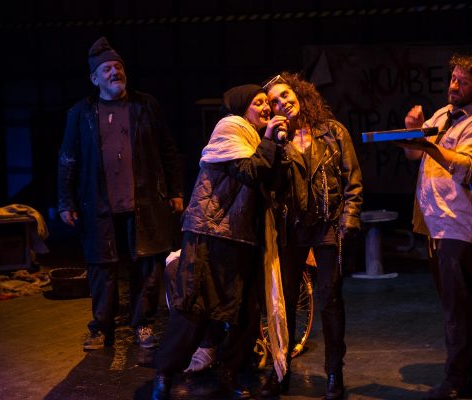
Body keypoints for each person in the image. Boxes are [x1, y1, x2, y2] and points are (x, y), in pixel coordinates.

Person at [152, 84, 286, 400]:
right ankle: (165, 373)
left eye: (267, 103)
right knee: (194, 308)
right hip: (210, 234)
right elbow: (250, 173)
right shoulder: (230, 129)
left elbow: (270, 180)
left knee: (246, 313)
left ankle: (230, 372)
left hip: (242, 238)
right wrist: (269, 140)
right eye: (258, 102)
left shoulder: (255, 139)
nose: (266, 107)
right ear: (241, 105)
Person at [57, 37, 184, 351]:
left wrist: (175, 191)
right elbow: (67, 159)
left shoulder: (146, 105)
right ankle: (101, 328)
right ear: (94, 78)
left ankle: (143, 323)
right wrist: (65, 201)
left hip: (145, 201)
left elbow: (168, 150)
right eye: (107, 69)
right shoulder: (81, 113)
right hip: (98, 204)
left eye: (118, 67)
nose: (115, 72)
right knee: (102, 268)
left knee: (147, 265)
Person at [398, 54, 472, 400]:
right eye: (453, 78)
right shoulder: (443, 115)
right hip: (437, 221)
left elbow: (468, 168)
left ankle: (456, 380)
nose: (454, 85)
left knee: (457, 309)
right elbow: (414, 154)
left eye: (463, 81)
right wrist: (412, 131)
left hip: (461, 223)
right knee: (464, 303)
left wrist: (427, 145)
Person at [261, 72, 363, 400]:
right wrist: (273, 143)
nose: (282, 103)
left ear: (299, 94)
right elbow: (269, 184)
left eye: (285, 95)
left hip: (327, 225)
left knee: (330, 299)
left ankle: (334, 374)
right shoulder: (276, 139)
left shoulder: (333, 131)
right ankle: (281, 371)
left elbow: (352, 179)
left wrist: (349, 218)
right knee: (286, 302)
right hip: (290, 229)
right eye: (274, 101)